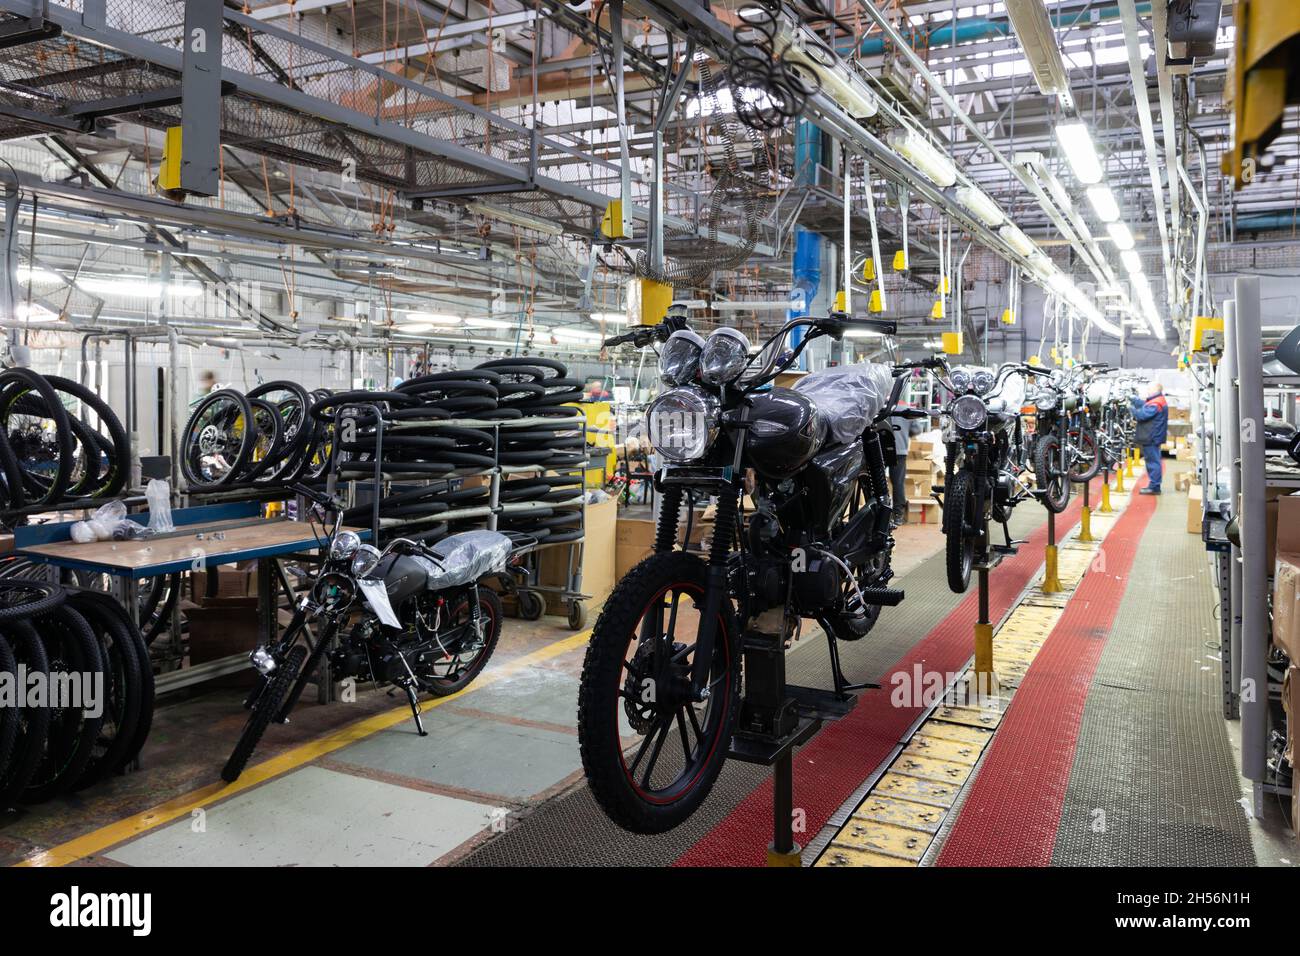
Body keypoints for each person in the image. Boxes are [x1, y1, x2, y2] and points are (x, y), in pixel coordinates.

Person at [888, 406, 926, 527]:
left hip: (880, 450)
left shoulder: (881, 408)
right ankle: (898, 515)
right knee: (898, 483)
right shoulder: (907, 410)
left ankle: (877, 513)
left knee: (876, 482)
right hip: (899, 450)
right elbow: (917, 430)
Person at [1131, 381, 1168, 495]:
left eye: (1149, 389)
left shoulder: (1156, 403)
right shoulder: (1157, 400)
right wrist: (1134, 400)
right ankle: (1154, 485)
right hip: (1152, 436)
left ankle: (1155, 486)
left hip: (1151, 436)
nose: (1147, 391)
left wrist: (1131, 409)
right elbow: (1144, 405)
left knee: (1153, 462)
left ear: (1155, 390)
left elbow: (1141, 415)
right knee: (1153, 460)